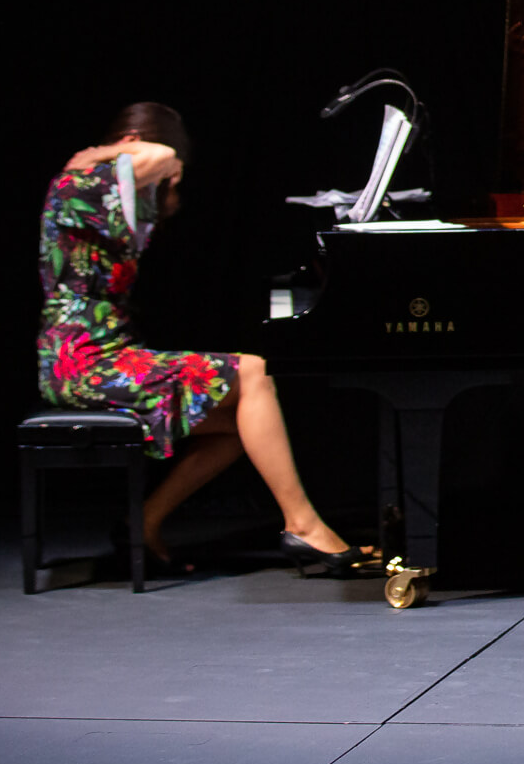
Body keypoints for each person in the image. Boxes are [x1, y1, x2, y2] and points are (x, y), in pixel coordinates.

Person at [38, 102, 372, 577]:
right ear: (131, 142)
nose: (168, 179)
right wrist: (112, 153)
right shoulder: (81, 183)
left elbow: (162, 190)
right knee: (253, 370)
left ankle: (143, 523)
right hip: (80, 363)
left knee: (242, 423)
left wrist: (152, 173)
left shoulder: (111, 191)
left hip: (107, 355)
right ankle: (303, 524)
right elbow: (158, 155)